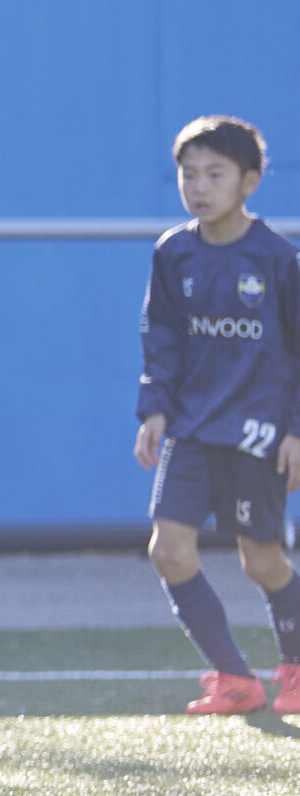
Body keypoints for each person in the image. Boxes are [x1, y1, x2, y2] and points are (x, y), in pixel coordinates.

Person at [136, 114, 300, 716]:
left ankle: (296, 666)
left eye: (214, 174)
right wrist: (154, 408)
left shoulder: (279, 258)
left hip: (258, 433)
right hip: (191, 429)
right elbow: (162, 337)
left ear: (249, 182)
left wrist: (296, 430)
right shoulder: (173, 252)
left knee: (261, 561)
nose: (199, 187)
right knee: (168, 551)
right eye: (188, 174)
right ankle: (236, 679)